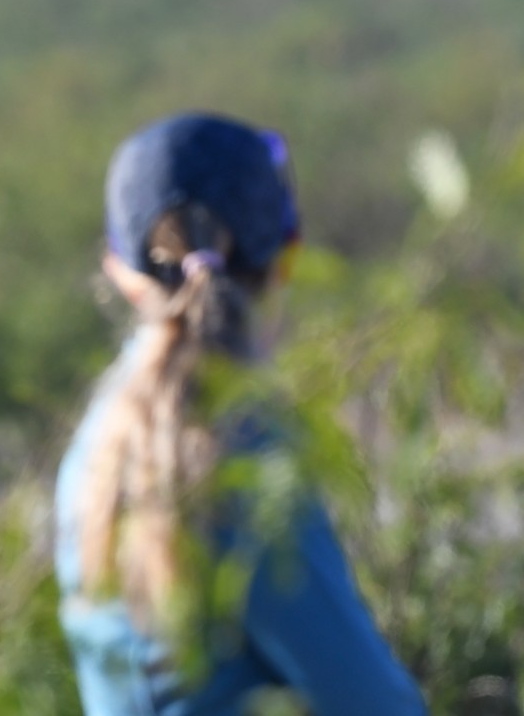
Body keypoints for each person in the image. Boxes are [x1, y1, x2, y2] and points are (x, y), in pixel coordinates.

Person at [53, 113, 428, 715]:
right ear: (286, 258)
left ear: (121, 275)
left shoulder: (95, 447)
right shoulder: (249, 448)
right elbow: (374, 704)